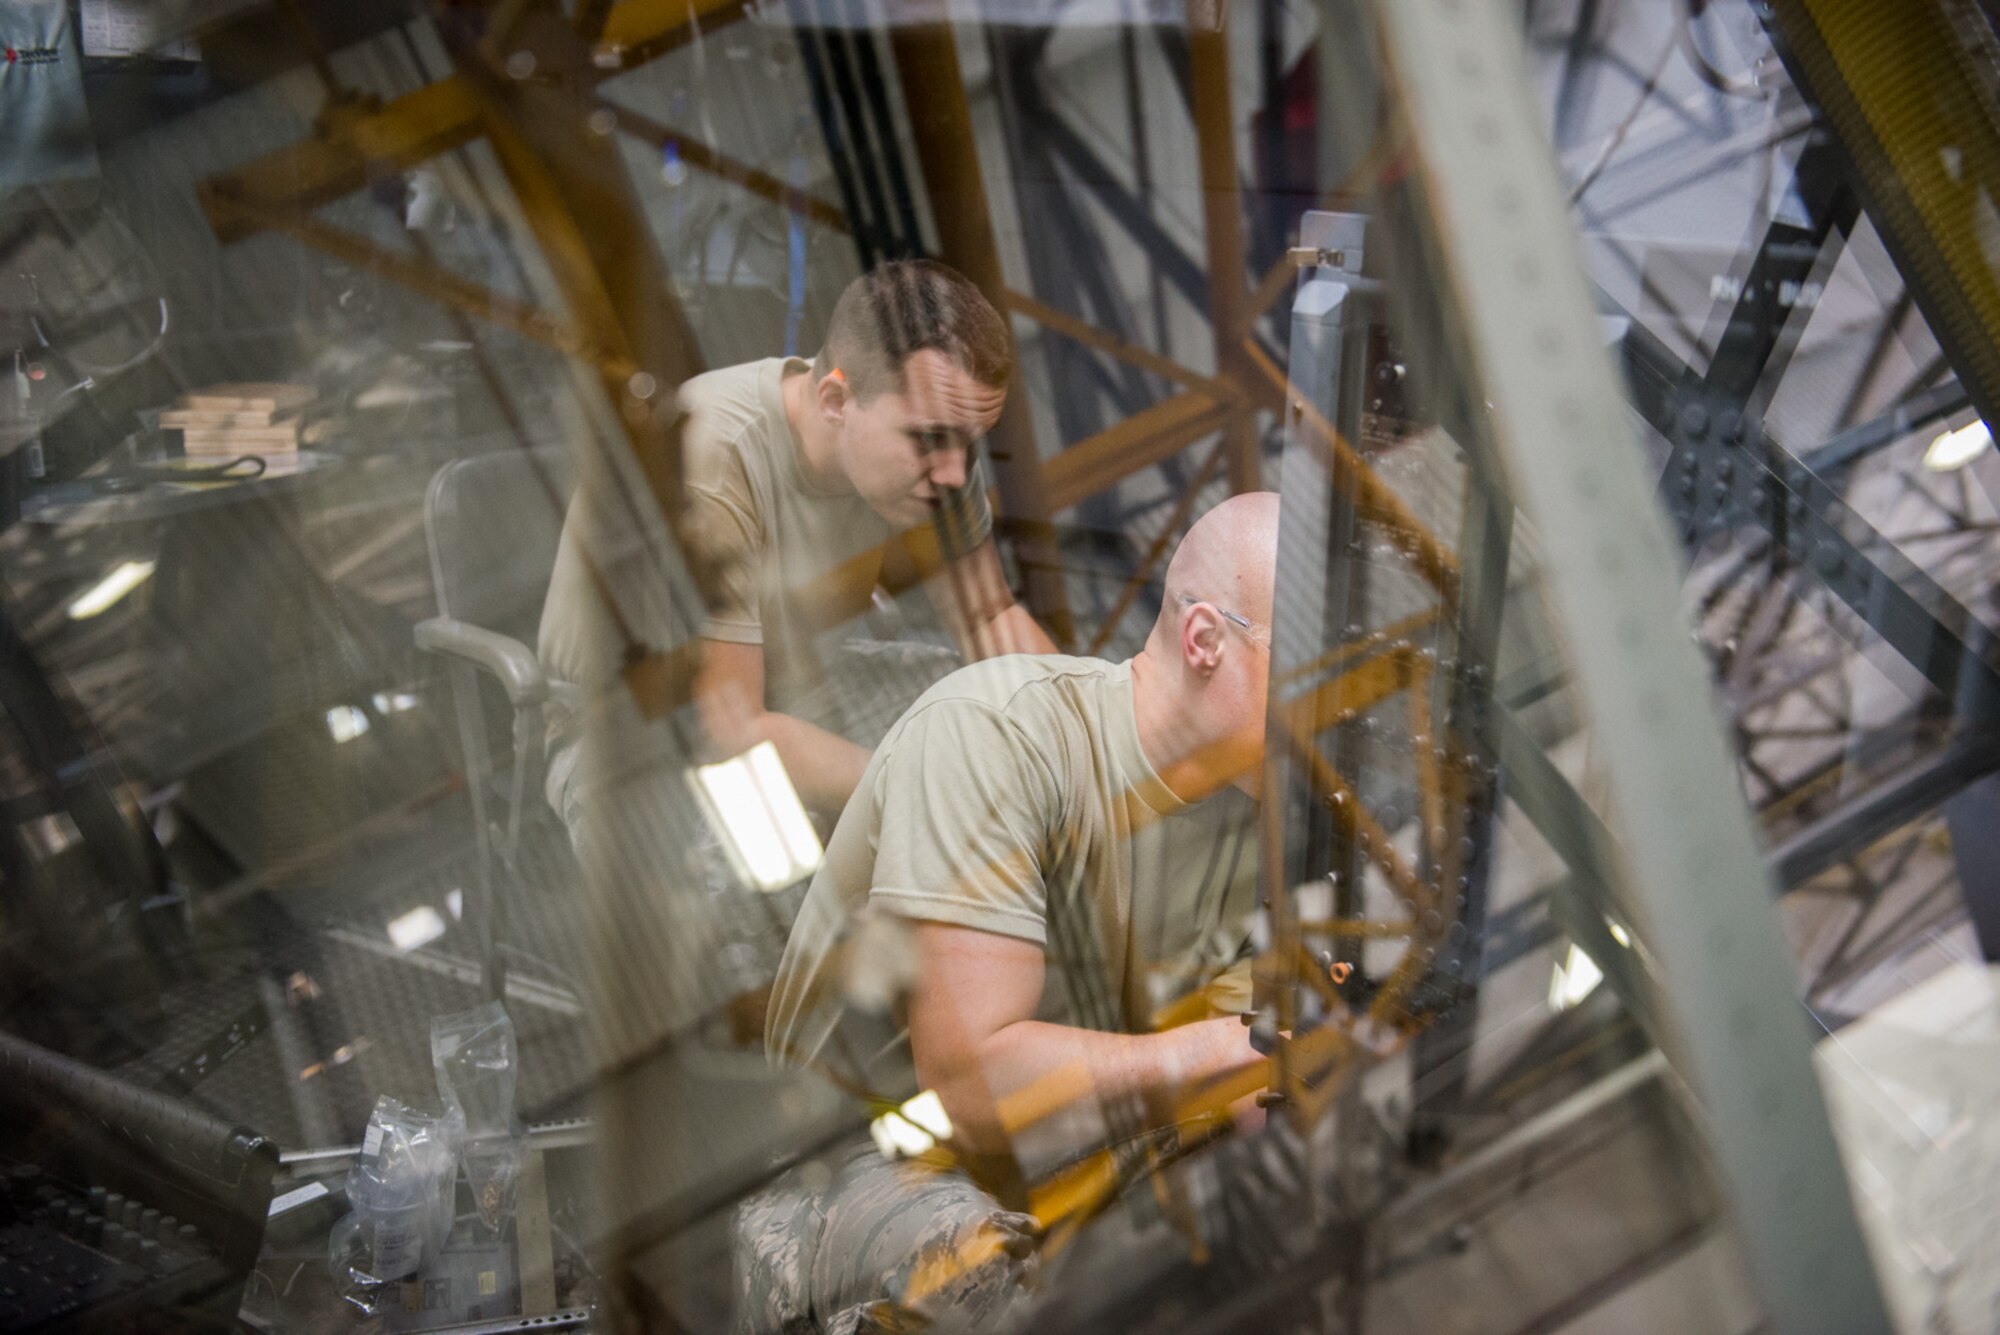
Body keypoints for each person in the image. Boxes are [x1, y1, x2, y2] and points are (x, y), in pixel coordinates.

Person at [740, 491, 1284, 1334]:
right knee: (968, 1269)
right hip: (856, 1151)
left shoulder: (1252, 807)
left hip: (1067, 1136)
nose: (1329, 703)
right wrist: (1213, 1052)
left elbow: (1241, 1062)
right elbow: (968, 1080)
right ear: (1205, 640)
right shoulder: (996, 735)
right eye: (1304, 665)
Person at [538, 259, 1057, 822]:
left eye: (969, 445)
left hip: (801, 686)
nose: (956, 474)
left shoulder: (938, 455)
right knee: (780, 899)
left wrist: (1083, 728)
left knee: (1006, 728)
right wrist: (933, 797)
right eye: (930, 439)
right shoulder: (710, 451)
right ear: (835, 401)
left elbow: (986, 618)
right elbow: (731, 733)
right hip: (639, 739)